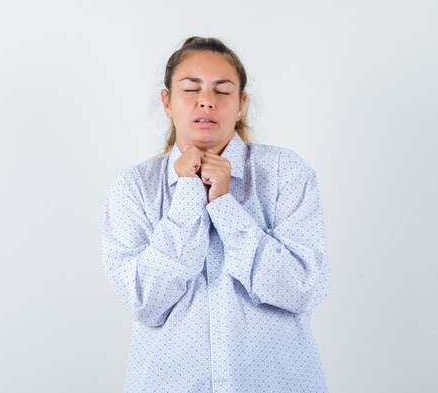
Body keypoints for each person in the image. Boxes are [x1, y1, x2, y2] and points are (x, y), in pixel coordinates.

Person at [101, 36, 331, 393]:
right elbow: (146, 301)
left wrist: (225, 207)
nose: (206, 101)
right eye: (191, 89)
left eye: (222, 92)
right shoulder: (135, 187)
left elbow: (303, 287)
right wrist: (189, 195)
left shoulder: (286, 173)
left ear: (241, 104)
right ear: (167, 101)